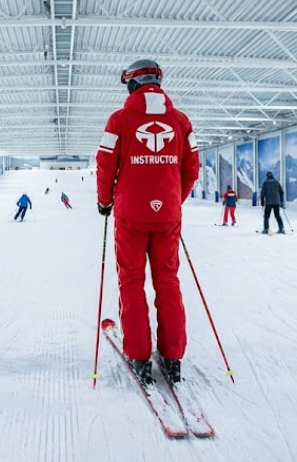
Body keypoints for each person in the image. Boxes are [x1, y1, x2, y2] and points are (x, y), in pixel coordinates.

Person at [96, 59, 199, 385]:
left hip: (130, 216)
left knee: (131, 282)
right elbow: (192, 167)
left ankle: (139, 355)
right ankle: (173, 356)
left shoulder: (119, 120)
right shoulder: (181, 121)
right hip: (167, 216)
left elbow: (104, 164)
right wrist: (172, 201)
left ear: (131, 84)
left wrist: (104, 201)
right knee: (168, 282)